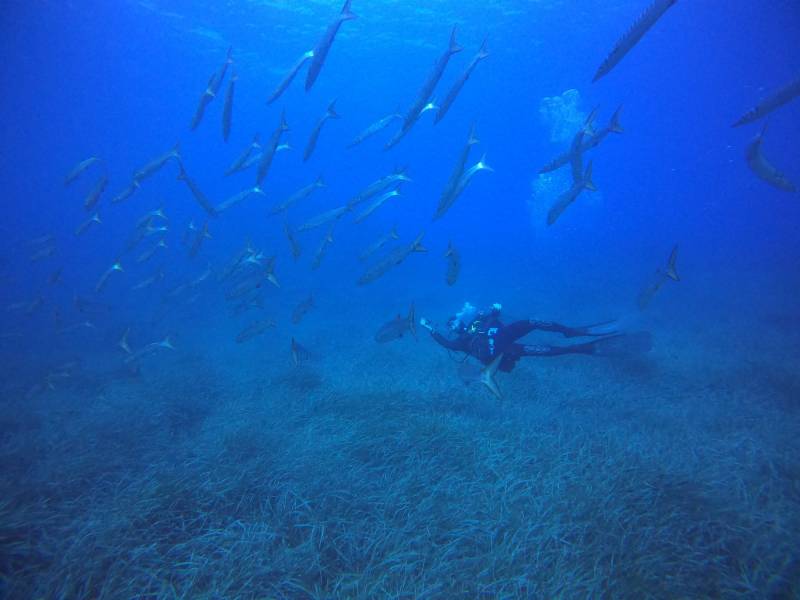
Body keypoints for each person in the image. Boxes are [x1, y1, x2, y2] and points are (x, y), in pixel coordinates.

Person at [419, 302, 650, 372]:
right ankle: (581, 348)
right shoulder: (461, 342)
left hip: (506, 334)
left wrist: (495, 310)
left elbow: (495, 315)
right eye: (451, 325)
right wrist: (430, 328)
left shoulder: (478, 321)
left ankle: (571, 331)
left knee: (530, 322)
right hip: (503, 351)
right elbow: (445, 343)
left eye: (455, 320)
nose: (455, 324)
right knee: (546, 351)